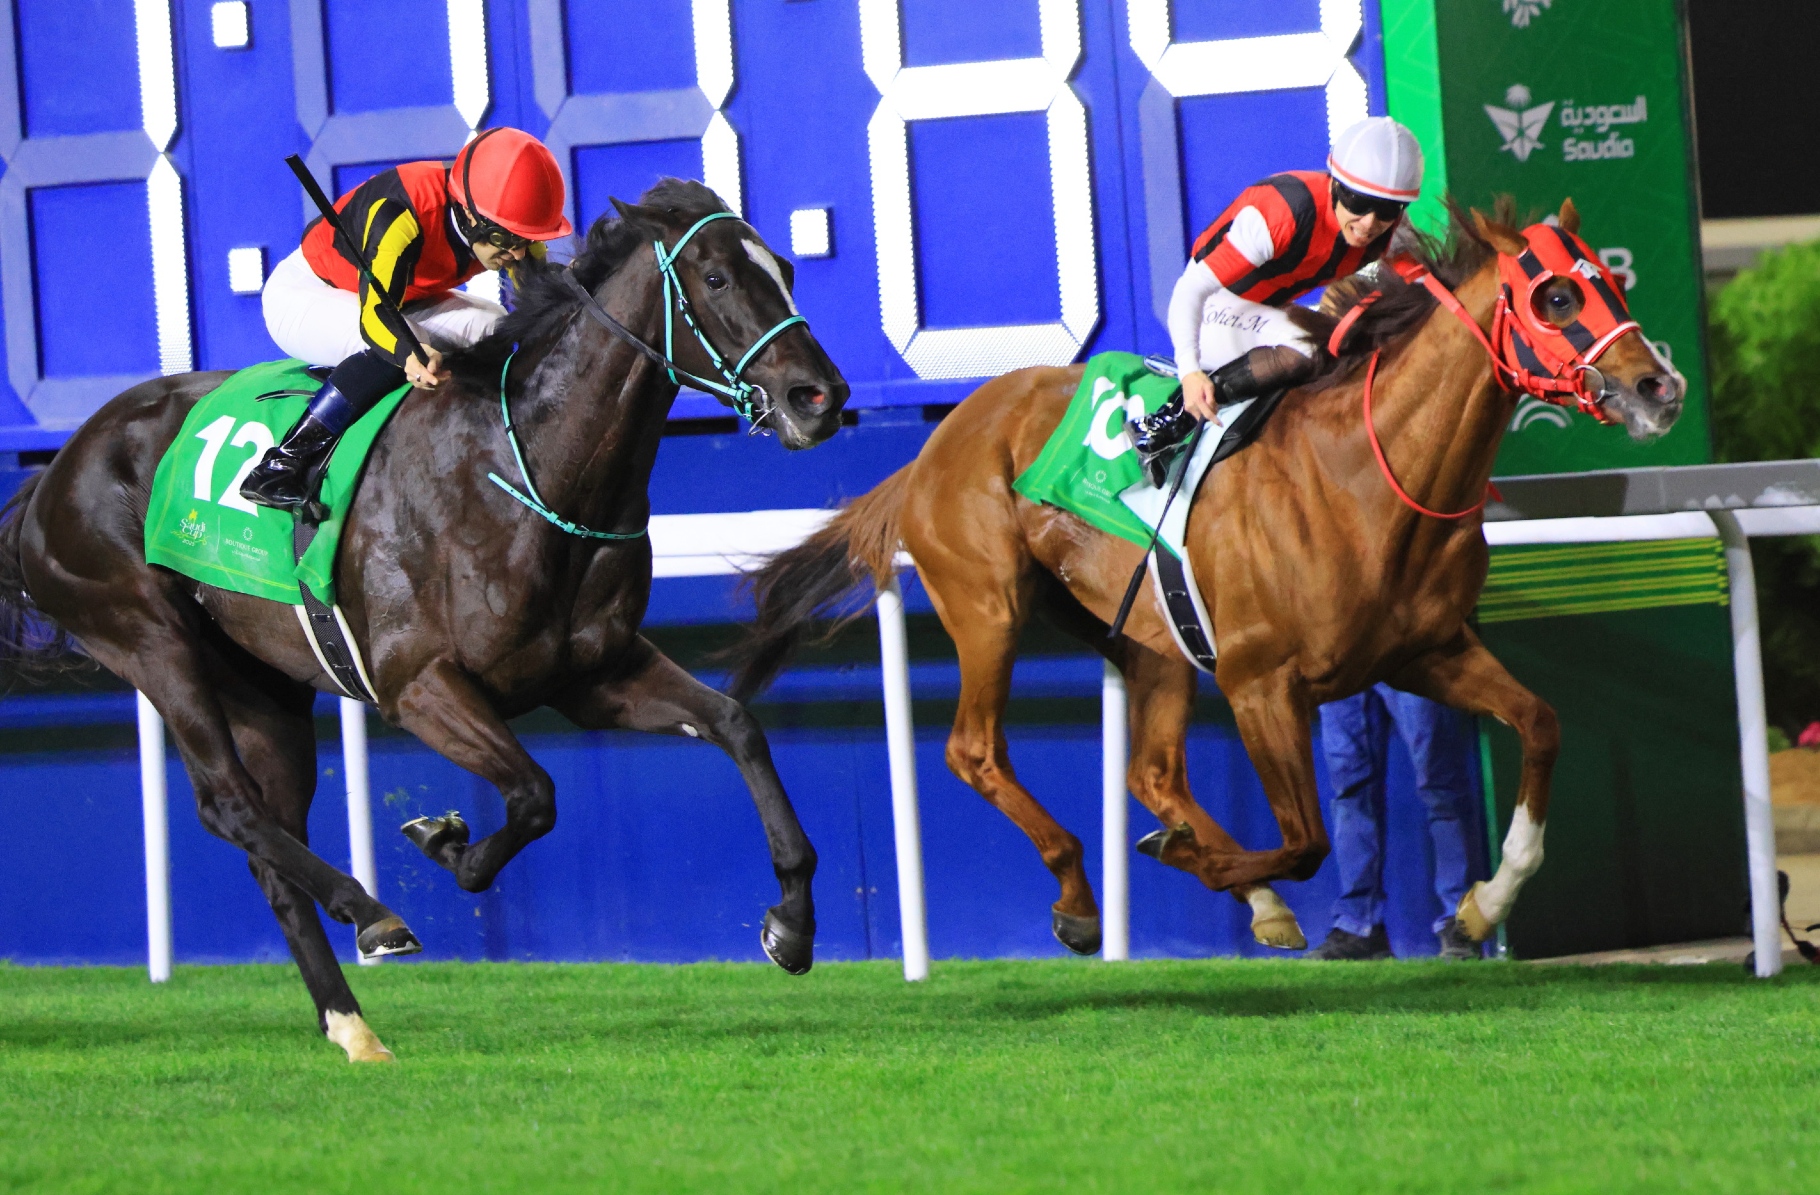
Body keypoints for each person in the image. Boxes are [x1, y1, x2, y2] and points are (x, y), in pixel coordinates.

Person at [241, 126, 573, 512]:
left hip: (400, 297)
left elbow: (536, 294)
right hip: (307, 293)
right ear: (469, 214)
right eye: (507, 241)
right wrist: (409, 356)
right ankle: (280, 465)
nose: (517, 254)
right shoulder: (400, 215)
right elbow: (376, 315)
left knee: (494, 326)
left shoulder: (502, 219)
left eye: (526, 241)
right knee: (407, 344)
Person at [1130, 116, 1423, 486]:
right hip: (1212, 307)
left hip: (1264, 311)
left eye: (1387, 209)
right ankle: (1169, 423)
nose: (1369, 223)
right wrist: (1190, 371)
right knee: (1312, 347)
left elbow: (1429, 288)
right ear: (1335, 183)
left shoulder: (1392, 232)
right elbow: (1190, 289)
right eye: (1359, 202)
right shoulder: (1281, 215)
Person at [1306, 685, 1484, 960]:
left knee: (1440, 783)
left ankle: (1461, 921)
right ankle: (1359, 928)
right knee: (1350, 792)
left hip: (1409, 662)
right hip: (1341, 668)